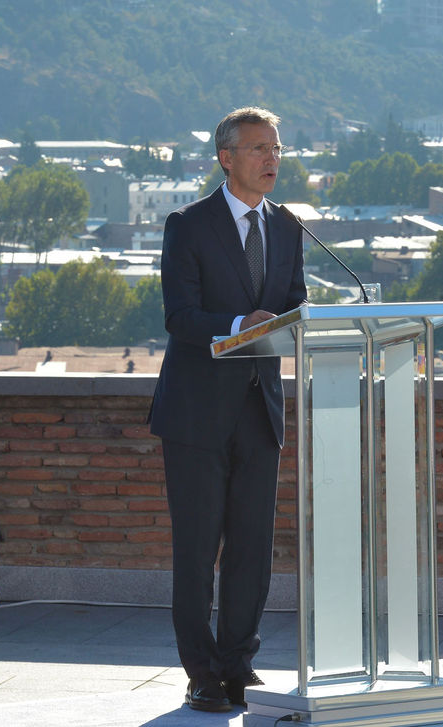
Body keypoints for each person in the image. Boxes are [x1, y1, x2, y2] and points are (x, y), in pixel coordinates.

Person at [148, 107, 307, 712]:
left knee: (251, 546)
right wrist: (241, 324)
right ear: (226, 157)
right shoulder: (188, 225)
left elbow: (295, 306)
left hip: (259, 410)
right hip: (196, 414)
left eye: (277, 149)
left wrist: (296, 321)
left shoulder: (290, 226)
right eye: (259, 148)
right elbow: (179, 317)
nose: (271, 159)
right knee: (197, 549)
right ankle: (201, 672)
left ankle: (239, 663)